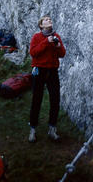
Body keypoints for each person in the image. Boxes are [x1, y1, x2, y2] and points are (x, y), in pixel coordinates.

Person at [28, 15, 66, 143]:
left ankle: (52, 129)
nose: (49, 20)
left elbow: (62, 54)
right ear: (41, 25)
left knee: (55, 99)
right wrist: (46, 42)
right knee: (36, 99)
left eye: (50, 19)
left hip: (52, 70)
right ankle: (32, 130)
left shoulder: (56, 36)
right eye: (46, 20)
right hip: (38, 70)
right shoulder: (36, 37)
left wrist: (57, 45)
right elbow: (33, 53)